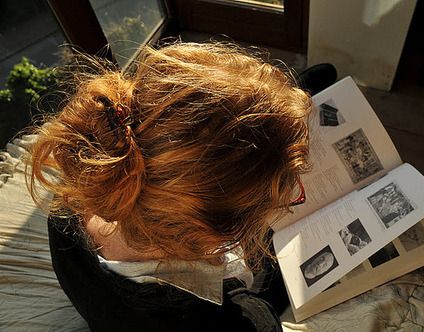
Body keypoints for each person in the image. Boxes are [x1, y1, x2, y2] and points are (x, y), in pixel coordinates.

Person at [27, 42, 314, 332]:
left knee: (318, 77)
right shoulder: (247, 324)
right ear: (220, 233)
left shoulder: (76, 192)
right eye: (285, 192)